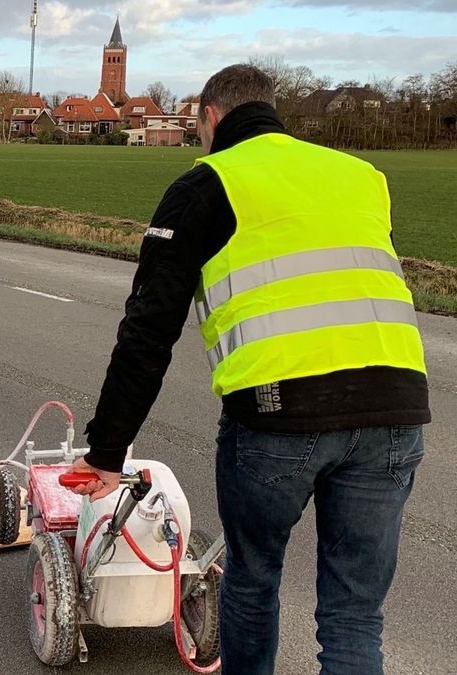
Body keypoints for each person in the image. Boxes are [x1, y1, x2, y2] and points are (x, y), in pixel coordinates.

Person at [67, 64, 428, 674]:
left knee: (254, 581)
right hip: (395, 409)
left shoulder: (206, 183)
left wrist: (107, 451)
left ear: (210, 118)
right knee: (354, 614)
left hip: (277, 414)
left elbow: (148, 332)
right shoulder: (362, 175)